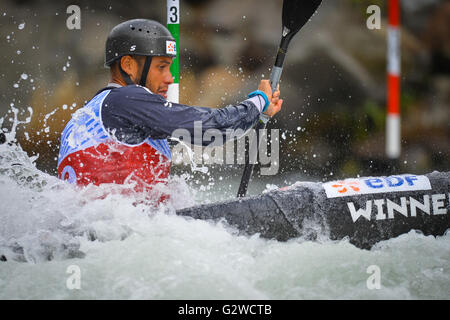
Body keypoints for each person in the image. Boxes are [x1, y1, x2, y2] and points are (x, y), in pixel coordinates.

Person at [57, 19, 282, 197]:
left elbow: (214, 133)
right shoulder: (126, 100)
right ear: (128, 65)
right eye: (161, 67)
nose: (169, 78)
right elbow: (208, 128)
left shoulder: (100, 111)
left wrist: (257, 116)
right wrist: (257, 102)